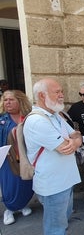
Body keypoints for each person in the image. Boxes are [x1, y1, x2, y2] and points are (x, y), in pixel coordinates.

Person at [23, 78, 82, 234]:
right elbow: (65, 148)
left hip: (65, 180)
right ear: (42, 96)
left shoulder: (55, 115)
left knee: (63, 220)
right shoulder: (36, 121)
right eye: (57, 92)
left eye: (61, 91)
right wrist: (75, 142)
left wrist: (75, 142)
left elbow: (77, 135)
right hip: (53, 185)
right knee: (55, 228)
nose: (62, 95)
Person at [0, 90, 33, 225]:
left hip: (26, 157)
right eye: (5, 100)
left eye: (11, 100)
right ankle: (9, 209)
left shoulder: (28, 117)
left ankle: (23, 204)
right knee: (10, 184)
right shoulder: (2, 120)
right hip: (8, 159)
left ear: (20, 101)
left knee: (26, 182)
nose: (7, 102)